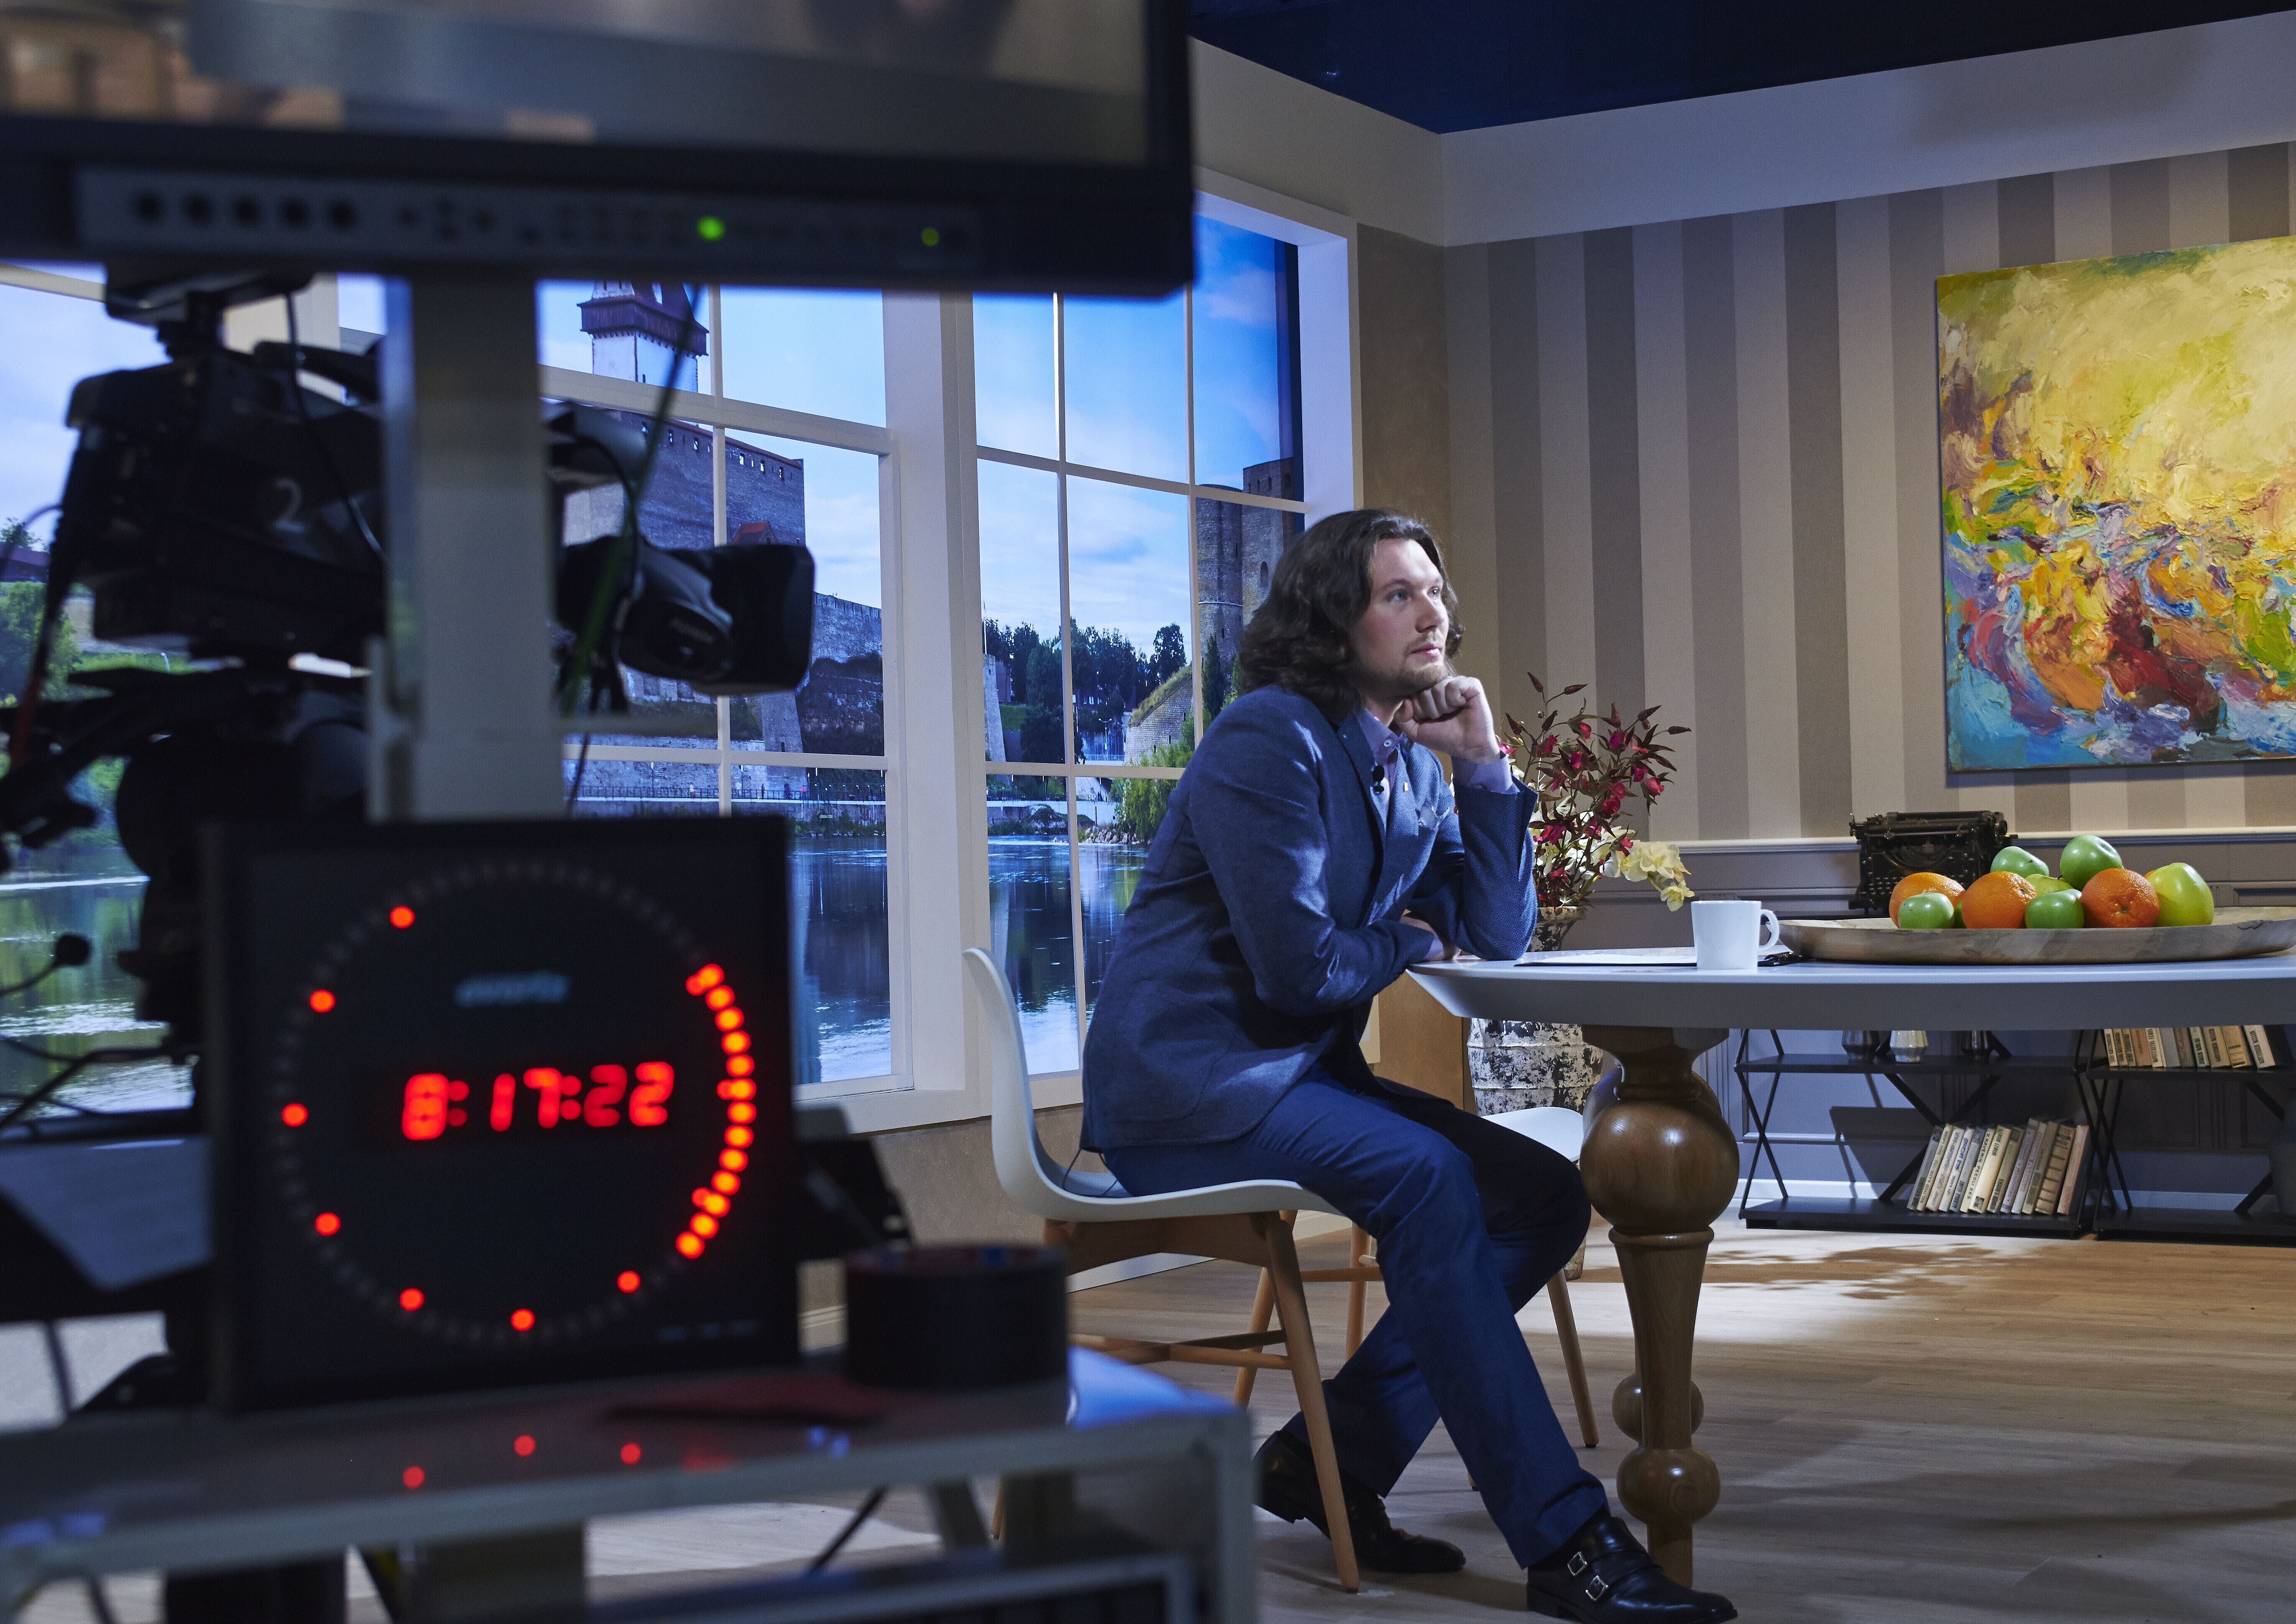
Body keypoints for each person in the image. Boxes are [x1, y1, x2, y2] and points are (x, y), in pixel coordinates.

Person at [1079, 509, 1735, 1624]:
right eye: (1397, 594)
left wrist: (1483, 766)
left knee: (1542, 1195)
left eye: (1434, 590)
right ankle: (1565, 1541)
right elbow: (1301, 970)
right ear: (1331, 619)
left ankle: (1323, 1462)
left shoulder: (1413, 769)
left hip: (1297, 1080)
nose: (1432, 613)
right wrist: (1412, 941)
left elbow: (1500, 931)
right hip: (1189, 1091)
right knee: (1426, 1175)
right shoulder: (1268, 736)